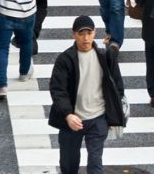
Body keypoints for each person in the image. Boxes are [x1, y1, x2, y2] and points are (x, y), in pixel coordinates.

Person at [48, 15, 126, 174]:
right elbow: (58, 90)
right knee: (69, 165)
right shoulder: (65, 59)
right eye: (81, 34)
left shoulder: (106, 56)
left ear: (95, 33)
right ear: (73, 34)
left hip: (98, 118)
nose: (85, 38)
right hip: (72, 120)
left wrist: (113, 115)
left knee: (95, 164)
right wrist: (68, 115)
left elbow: (117, 87)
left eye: (89, 33)